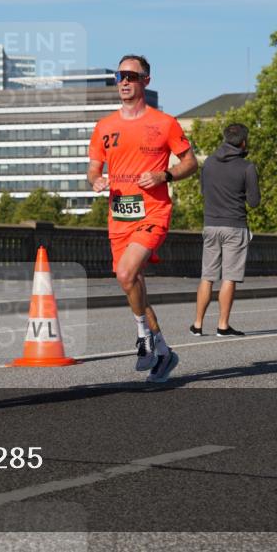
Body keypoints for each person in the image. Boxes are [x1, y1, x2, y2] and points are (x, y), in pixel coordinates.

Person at [87, 54, 198, 383]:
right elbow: (94, 166)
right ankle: (163, 352)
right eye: (119, 75)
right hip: (119, 214)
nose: (123, 81)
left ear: (145, 81)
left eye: (130, 76)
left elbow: (191, 163)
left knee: (126, 271)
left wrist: (166, 175)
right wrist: (95, 179)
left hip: (153, 210)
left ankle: (143, 338)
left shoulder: (164, 123)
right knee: (129, 283)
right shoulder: (105, 126)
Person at [192, 123, 260, 337]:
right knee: (229, 277)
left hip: (211, 224)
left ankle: (197, 324)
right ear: (243, 142)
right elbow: (254, 202)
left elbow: (204, 191)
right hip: (234, 225)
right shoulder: (247, 167)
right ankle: (223, 325)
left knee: (207, 276)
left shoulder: (209, 163)